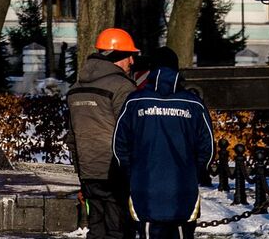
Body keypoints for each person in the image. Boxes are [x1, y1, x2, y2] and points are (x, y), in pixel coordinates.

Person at [111, 49, 213, 239]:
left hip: (145, 187)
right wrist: (196, 171)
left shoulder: (135, 102)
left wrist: (130, 172)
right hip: (183, 188)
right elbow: (207, 148)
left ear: (151, 70)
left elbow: (119, 146)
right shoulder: (194, 104)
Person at [66, 27, 138, 239]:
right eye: (129, 57)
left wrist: (81, 171)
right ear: (116, 56)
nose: (132, 62)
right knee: (119, 230)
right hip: (116, 171)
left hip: (88, 173)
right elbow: (130, 132)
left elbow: (72, 137)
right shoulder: (122, 88)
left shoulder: (75, 87)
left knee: (96, 229)